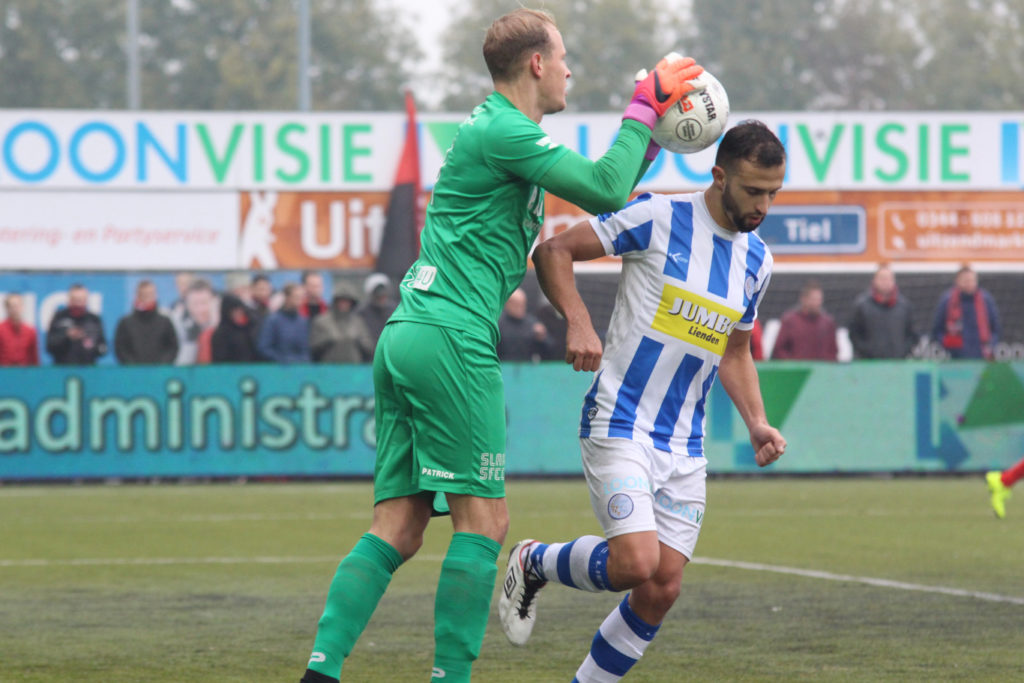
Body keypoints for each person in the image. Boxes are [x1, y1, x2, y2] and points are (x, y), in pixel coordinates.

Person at [300, 8, 705, 683]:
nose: (571, 69)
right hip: (454, 337)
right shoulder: (505, 130)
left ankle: (321, 671)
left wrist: (651, 135)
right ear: (537, 65)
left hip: (410, 331)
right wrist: (642, 105)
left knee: (398, 526)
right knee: (485, 523)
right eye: (564, 56)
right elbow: (607, 189)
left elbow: (607, 189)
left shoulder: (500, 132)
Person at [501, 121, 788, 681]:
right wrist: (579, 323)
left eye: (774, 193)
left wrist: (757, 421)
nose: (763, 205)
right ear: (719, 175)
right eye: (754, 191)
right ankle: (533, 560)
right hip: (620, 421)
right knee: (637, 562)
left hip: (685, 443)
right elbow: (554, 250)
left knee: (662, 588)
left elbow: (735, 351)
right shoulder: (658, 216)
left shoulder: (758, 261)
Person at [931, 264, 1001, 360]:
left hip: (983, 358)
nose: (969, 283)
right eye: (966, 280)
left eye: (972, 280)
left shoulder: (986, 300)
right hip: (955, 359)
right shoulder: (947, 300)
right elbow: (937, 330)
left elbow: (996, 329)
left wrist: (990, 345)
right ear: (957, 281)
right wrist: (949, 346)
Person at [848, 264, 917, 359]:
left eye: (889, 278)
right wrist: (867, 352)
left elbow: (912, 335)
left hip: (897, 365)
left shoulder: (904, 306)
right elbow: (854, 334)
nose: (885, 282)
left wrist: (902, 352)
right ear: (874, 281)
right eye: (882, 278)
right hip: (870, 365)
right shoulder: (862, 306)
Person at [114, 280, 179, 365]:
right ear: (137, 296)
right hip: (134, 374)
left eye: (150, 294)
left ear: (156, 295)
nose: (147, 298)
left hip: (159, 374)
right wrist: (133, 366)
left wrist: (162, 365)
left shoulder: (165, 322)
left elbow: (173, 347)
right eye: (144, 295)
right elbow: (121, 349)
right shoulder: (126, 323)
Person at [770, 280, 838, 360]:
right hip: (797, 371)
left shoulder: (828, 323)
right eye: (813, 299)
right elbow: (779, 349)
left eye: (819, 299)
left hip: (821, 370)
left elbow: (833, 351)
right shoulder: (790, 321)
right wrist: (791, 365)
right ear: (804, 299)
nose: (817, 303)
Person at [310, 280, 375, 363]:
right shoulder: (321, 321)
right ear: (335, 301)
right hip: (329, 369)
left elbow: (369, 347)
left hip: (353, 369)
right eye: (341, 301)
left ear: (352, 303)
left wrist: (358, 341)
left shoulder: (358, 322)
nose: (343, 304)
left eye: (347, 301)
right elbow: (313, 348)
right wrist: (328, 340)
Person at [45, 283, 107, 365]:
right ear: (69, 300)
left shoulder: (94, 319)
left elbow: (103, 348)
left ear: (86, 300)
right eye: (75, 300)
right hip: (63, 369)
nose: (78, 304)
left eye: (81, 300)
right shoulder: (59, 318)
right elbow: (50, 346)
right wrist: (67, 336)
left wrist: (90, 344)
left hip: (88, 369)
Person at [258, 282, 310, 363]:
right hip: (277, 370)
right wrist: (282, 360)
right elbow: (264, 347)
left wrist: (302, 361)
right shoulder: (273, 320)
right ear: (287, 298)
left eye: (301, 297)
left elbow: (305, 349)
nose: (300, 301)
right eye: (297, 297)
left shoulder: (302, 322)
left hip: (298, 370)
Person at [171, 278, 218, 365]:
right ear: (187, 305)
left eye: (204, 303)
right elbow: (181, 366)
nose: (200, 310)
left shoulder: (222, 325)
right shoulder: (178, 325)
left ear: (213, 302)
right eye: (195, 304)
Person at [497, 288, 551, 362]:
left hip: (527, 368)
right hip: (503, 366)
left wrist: (542, 338)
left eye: (522, 304)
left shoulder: (532, 323)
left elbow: (550, 350)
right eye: (516, 305)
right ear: (507, 304)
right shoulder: (498, 323)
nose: (520, 308)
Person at [211, 294, 261, 363]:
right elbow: (219, 359)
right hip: (232, 371)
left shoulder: (251, 326)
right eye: (234, 311)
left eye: (240, 310)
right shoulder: (221, 334)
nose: (238, 313)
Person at [357, 272, 398, 349]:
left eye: (384, 295)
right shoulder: (362, 312)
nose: (382, 298)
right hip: (370, 355)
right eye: (379, 296)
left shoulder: (395, 310)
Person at [0, 293, 39, 366]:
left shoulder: (30, 331)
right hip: (3, 374)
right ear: (6, 308)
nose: (15, 309)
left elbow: (34, 357)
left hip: (24, 374)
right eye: (11, 306)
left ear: (22, 307)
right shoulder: (1, 330)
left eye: (17, 306)